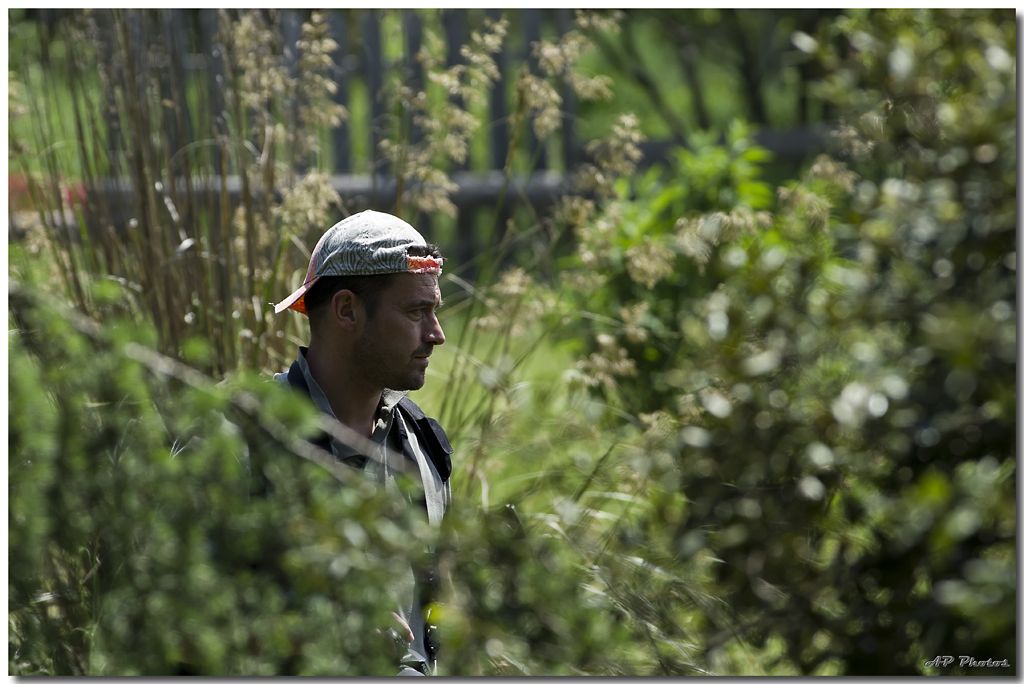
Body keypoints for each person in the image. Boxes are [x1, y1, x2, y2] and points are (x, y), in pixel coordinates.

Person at [273, 210, 453, 675]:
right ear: (347, 310)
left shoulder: (424, 448)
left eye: (434, 312)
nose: (436, 334)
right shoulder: (243, 443)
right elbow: (172, 619)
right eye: (416, 312)